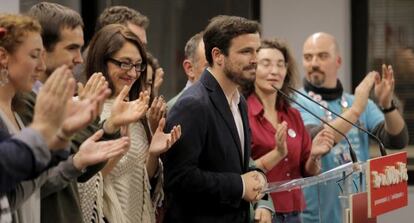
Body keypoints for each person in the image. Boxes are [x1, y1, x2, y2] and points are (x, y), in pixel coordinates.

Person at [0, 13, 130, 223]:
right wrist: (57, 135)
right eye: (34, 55)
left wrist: (67, 137)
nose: (40, 65)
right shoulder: (31, 106)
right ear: (3, 56)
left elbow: (20, 191)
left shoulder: (17, 108)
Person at [163, 15, 274, 223]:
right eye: (245, 51)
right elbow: (179, 178)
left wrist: (257, 175)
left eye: (257, 51)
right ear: (218, 56)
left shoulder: (239, 101)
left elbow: (234, 164)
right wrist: (240, 186)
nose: (255, 59)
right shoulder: (193, 104)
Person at [295, 32, 409, 223]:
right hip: (319, 216)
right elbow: (317, 139)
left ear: (338, 61)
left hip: (359, 214)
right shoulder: (296, 102)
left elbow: (397, 140)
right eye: (308, 57)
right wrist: (356, 110)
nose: (314, 63)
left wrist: (387, 105)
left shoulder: (355, 101)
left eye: (322, 56)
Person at [83, 24, 181, 223]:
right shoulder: (86, 110)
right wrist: (117, 144)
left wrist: (153, 152)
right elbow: (86, 183)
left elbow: (141, 179)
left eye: (138, 65)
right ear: (102, 61)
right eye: (124, 63)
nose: (133, 73)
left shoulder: (136, 111)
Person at [242, 38, 334, 223]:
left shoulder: (293, 115)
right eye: (266, 64)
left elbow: (308, 170)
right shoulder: (242, 113)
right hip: (260, 212)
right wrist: (278, 153)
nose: (274, 71)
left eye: (280, 65)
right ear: (253, 70)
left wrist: (314, 156)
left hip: (294, 213)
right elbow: (241, 172)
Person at [166, 32, 208, 109]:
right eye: (209, 68)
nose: (217, 75)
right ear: (189, 69)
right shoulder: (175, 106)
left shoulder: (229, 102)